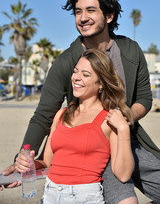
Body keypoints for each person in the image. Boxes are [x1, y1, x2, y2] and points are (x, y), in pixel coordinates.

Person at [1, 0, 160, 204]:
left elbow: (145, 98)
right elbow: (44, 114)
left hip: (127, 139)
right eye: (77, 11)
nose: (82, 17)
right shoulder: (67, 61)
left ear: (109, 15)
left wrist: (124, 118)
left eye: (90, 10)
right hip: (86, 146)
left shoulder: (131, 50)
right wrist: (23, 158)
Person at [15, 49, 136, 204]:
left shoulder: (109, 119)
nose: (76, 78)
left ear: (101, 84)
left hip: (84, 197)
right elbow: (47, 163)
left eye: (85, 74)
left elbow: (123, 174)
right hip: (50, 195)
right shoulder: (61, 115)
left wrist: (124, 130)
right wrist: (29, 164)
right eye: (75, 71)